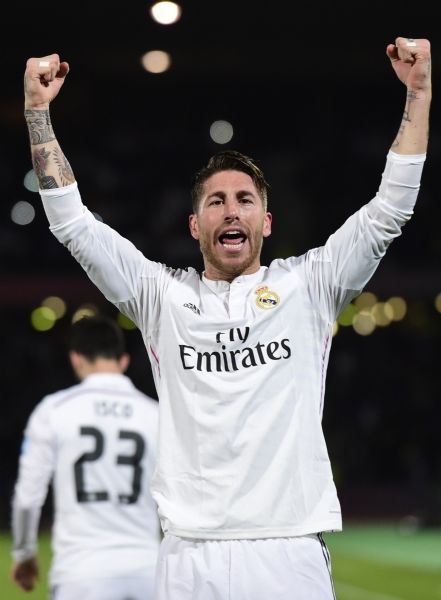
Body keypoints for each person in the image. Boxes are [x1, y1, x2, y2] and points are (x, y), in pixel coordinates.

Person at [22, 36, 431, 600]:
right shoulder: (161, 297)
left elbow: (390, 210)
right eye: (216, 201)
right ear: (196, 226)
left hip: (287, 550)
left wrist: (419, 94)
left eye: (244, 199)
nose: (231, 210)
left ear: (266, 221)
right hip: (190, 555)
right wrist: (36, 112)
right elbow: (72, 223)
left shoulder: (309, 286)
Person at [11, 315, 161, 599]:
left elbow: (28, 498)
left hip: (81, 572)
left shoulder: (54, 410)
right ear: (124, 361)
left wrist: (24, 553)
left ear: (76, 358)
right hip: (146, 570)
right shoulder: (155, 414)